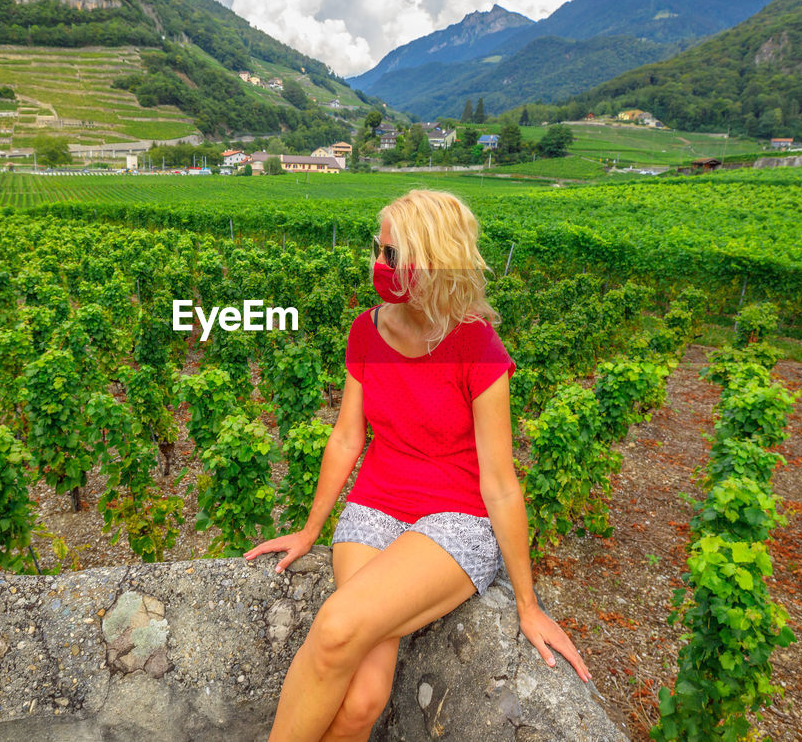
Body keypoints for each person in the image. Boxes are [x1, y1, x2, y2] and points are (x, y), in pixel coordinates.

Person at [244, 189, 592, 741]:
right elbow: (346, 438)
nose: (378, 266)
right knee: (362, 699)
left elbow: (500, 484)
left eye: (392, 256)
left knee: (336, 627)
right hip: (374, 508)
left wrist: (529, 604)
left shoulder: (476, 346)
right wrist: (311, 530)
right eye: (379, 250)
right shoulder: (366, 329)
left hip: (456, 520)